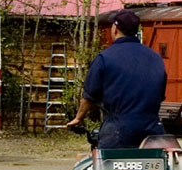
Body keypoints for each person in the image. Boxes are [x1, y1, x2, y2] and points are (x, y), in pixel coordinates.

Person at [65, 9, 167, 149]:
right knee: (153, 169)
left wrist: (79, 118)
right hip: (153, 131)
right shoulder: (156, 58)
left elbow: (89, 97)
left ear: (115, 29)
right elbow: (160, 95)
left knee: (109, 168)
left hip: (118, 131)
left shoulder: (105, 58)